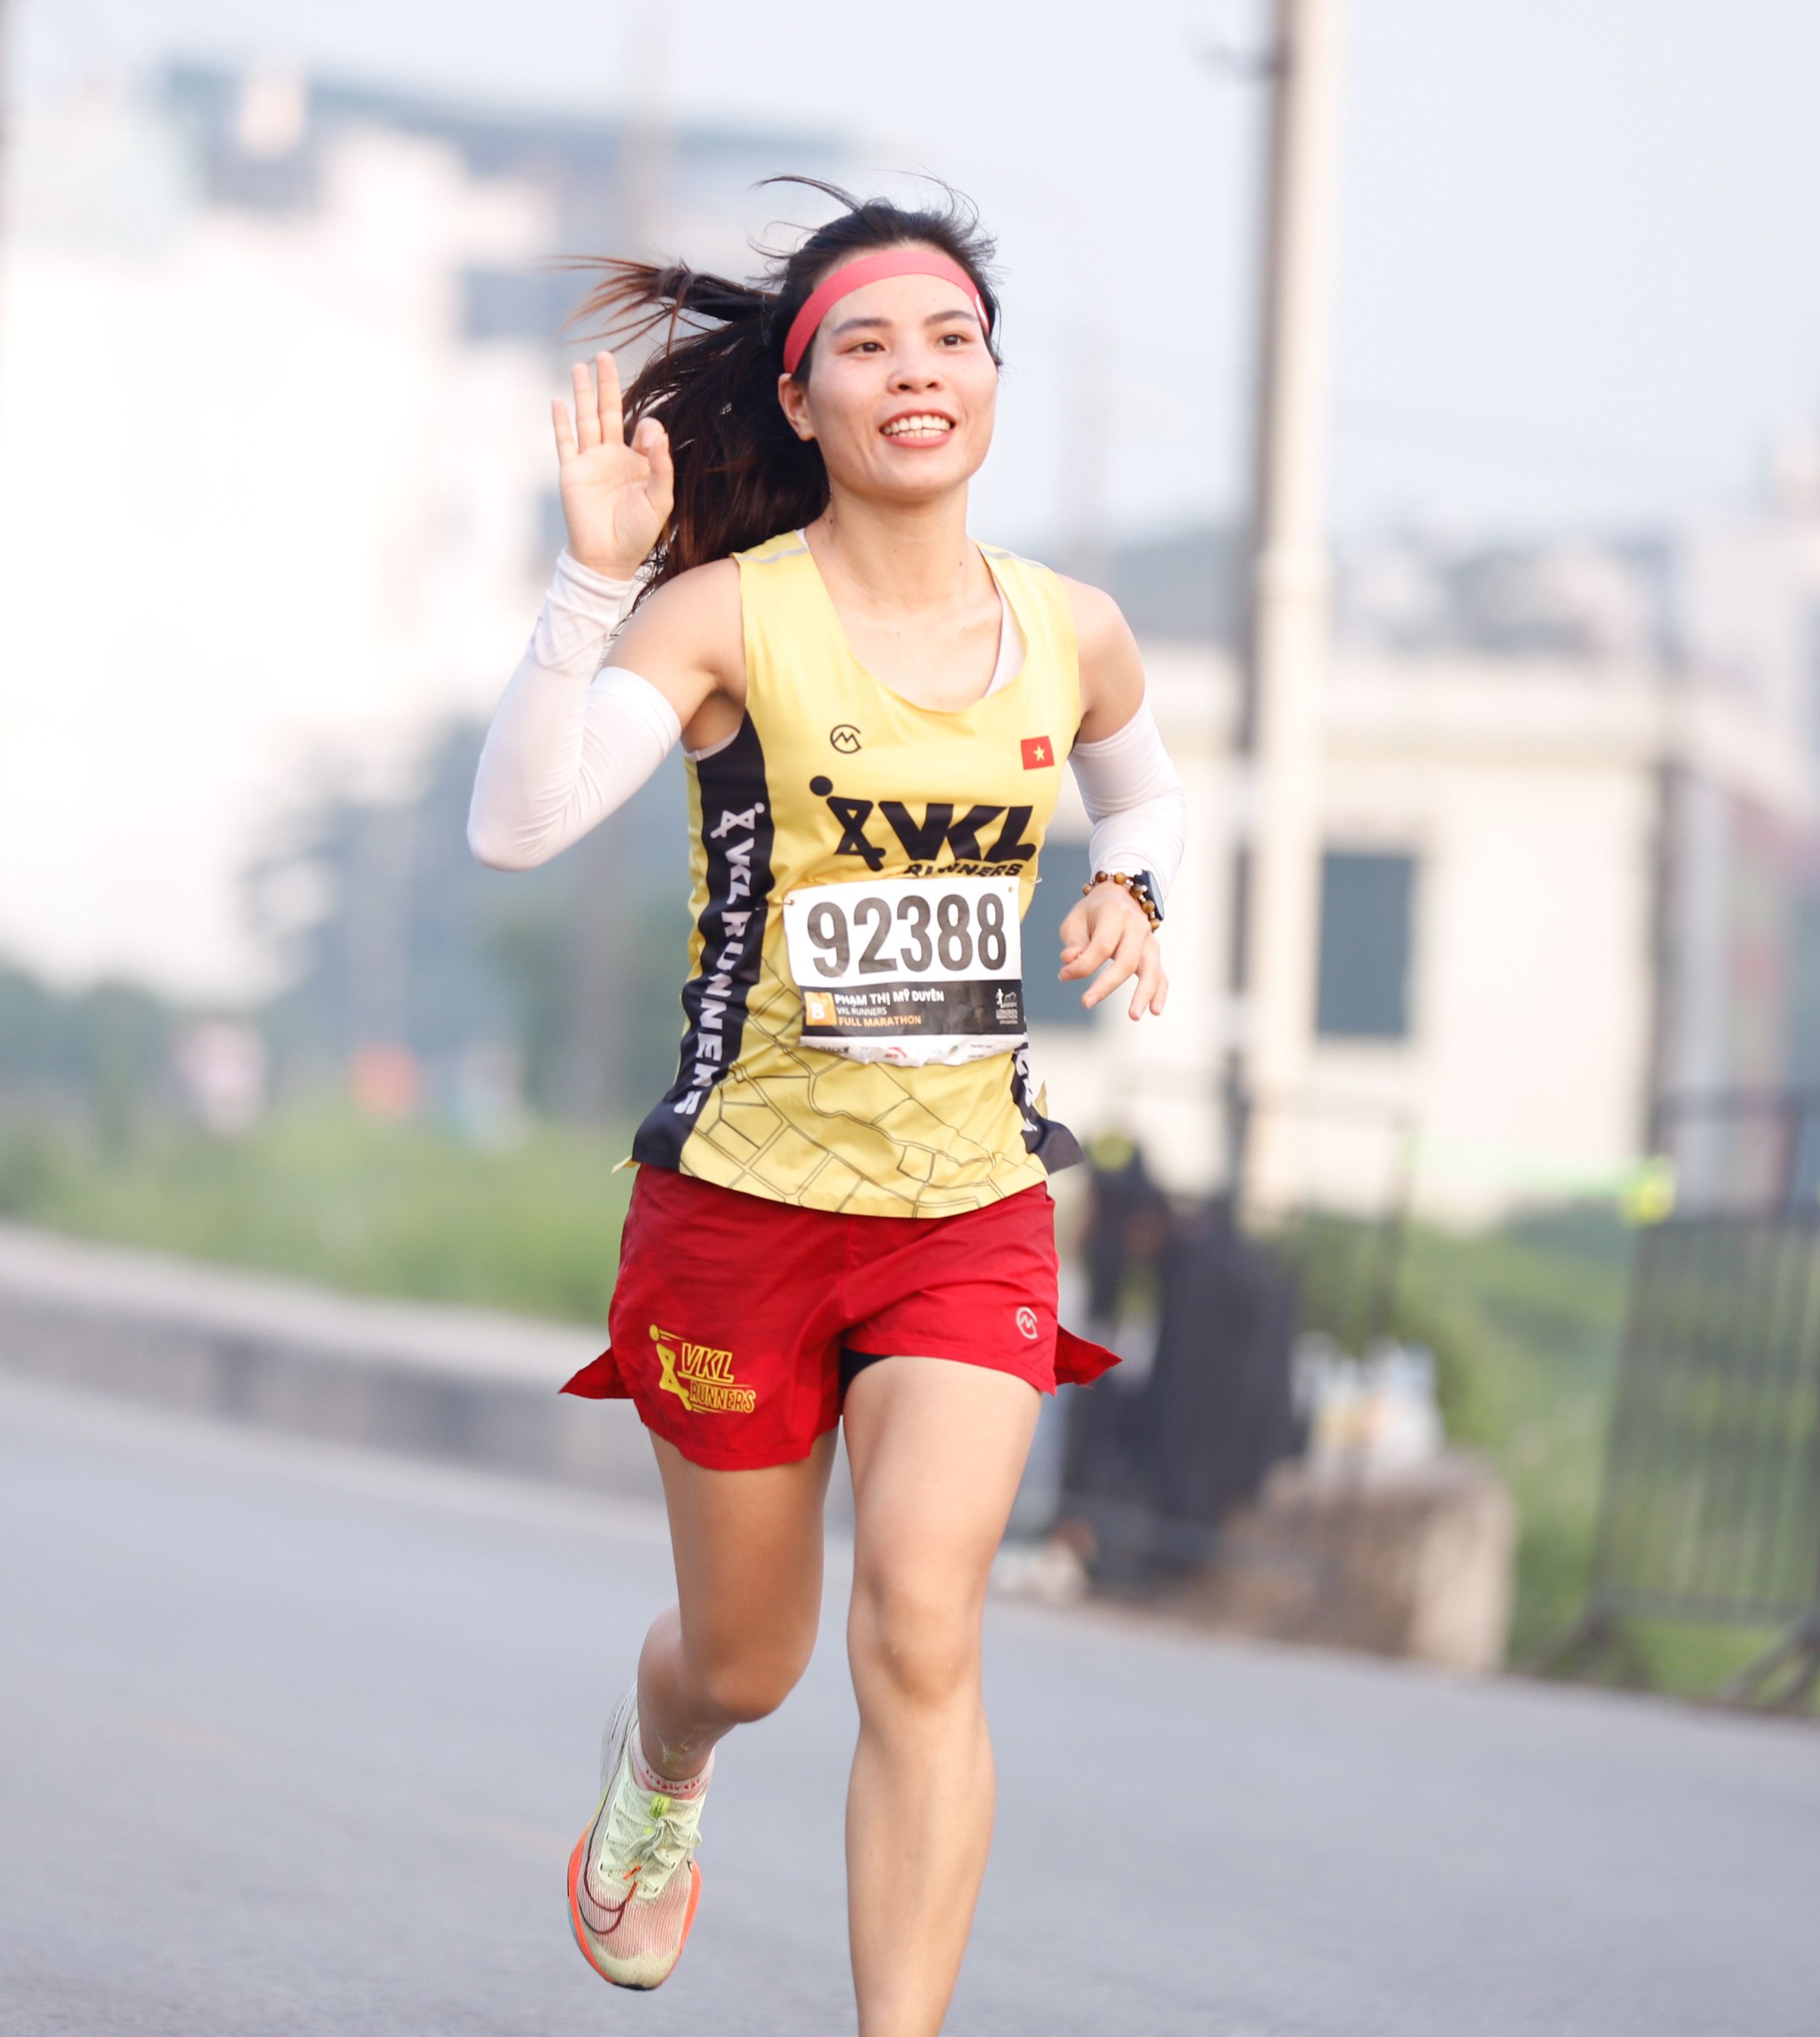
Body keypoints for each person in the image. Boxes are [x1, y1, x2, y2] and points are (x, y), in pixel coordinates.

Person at [467, 183, 1186, 2035]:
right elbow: (517, 825)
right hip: (741, 1210)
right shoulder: (724, 618)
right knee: (750, 1656)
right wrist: (592, 584)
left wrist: (1135, 890)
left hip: (966, 1210)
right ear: (800, 400)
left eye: (950, 339)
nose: (915, 371)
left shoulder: (1075, 631)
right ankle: (662, 1758)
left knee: (925, 1630)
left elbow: (1146, 795)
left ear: (991, 382)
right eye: (866, 345)